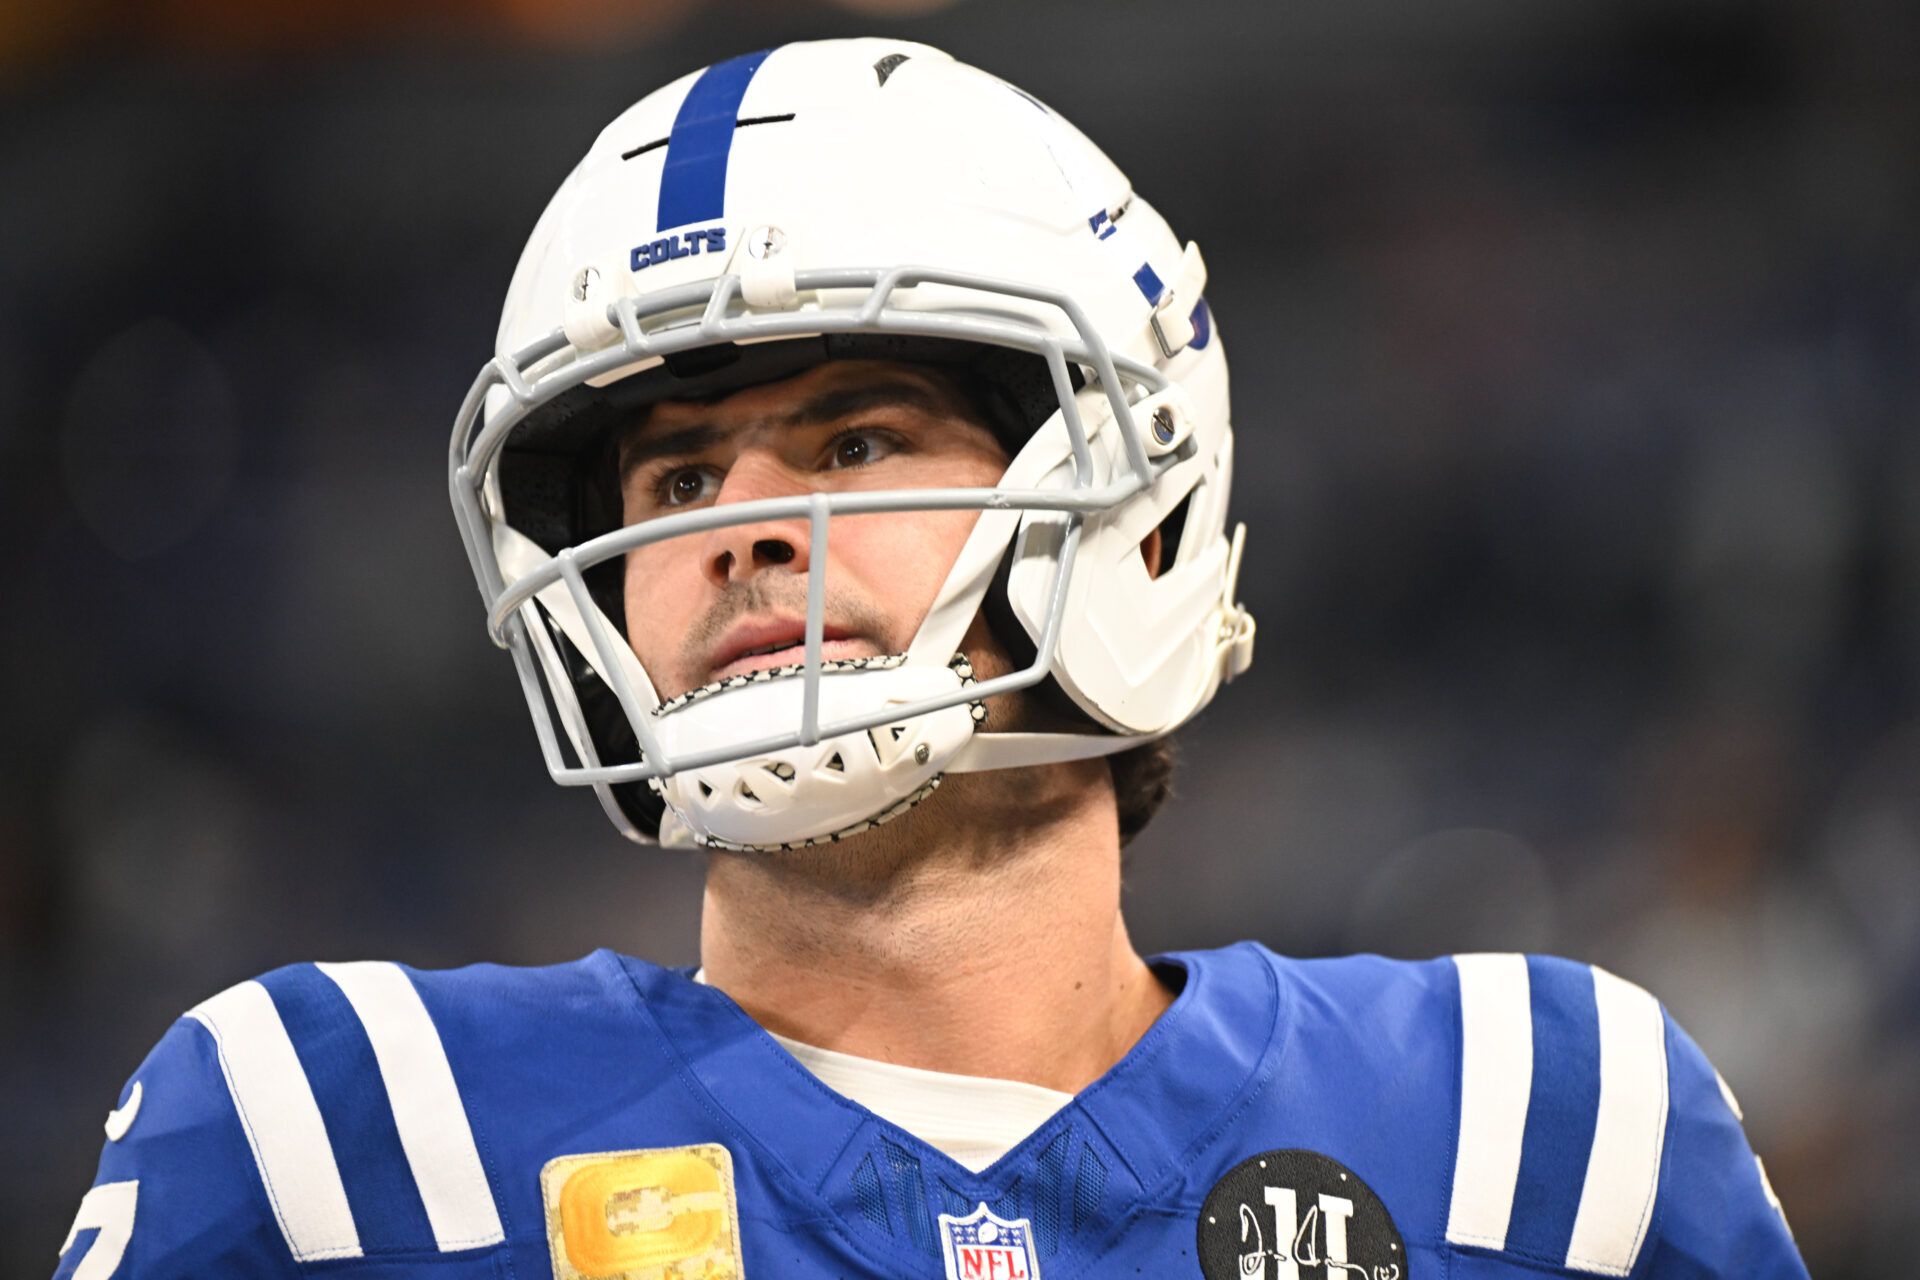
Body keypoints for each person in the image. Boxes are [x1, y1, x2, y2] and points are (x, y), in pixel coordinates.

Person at [55, 38, 1805, 1280]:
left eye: (851, 443)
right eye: (670, 478)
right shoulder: (335, 1144)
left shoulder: (1546, 1133)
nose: (729, 527)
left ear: (1129, 502)